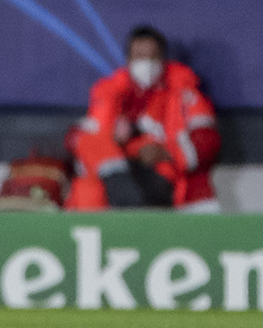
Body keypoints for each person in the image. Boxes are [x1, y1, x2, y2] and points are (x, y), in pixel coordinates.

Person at [66, 25, 221, 212]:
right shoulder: (111, 93)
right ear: (128, 60)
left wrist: (167, 153)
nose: (146, 63)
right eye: (139, 57)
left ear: (163, 60)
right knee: (90, 151)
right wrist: (114, 141)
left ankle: (129, 211)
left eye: (153, 57)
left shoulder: (183, 91)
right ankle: (99, 220)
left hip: (166, 173)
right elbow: (78, 139)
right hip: (120, 171)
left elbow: (207, 141)